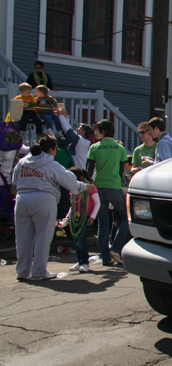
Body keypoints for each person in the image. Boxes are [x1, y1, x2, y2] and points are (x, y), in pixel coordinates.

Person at [12, 134, 90, 281]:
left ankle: (22, 271)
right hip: (44, 200)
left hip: (22, 200)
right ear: (50, 150)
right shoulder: (52, 164)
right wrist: (84, 186)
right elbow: (70, 183)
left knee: (22, 238)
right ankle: (39, 271)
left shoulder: (22, 162)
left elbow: (13, 185)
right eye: (55, 149)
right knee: (43, 237)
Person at [86, 119, 129, 265]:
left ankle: (105, 258)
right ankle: (116, 248)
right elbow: (120, 171)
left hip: (98, 187)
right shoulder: (120, 148)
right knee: (127, 218)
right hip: (114, 187)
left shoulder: (94, 147)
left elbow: (89, 169)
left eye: (97, 130)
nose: (95, 133)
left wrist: (88, 185)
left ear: (103, 132)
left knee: (102, 224)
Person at [59, 167, 100, 273]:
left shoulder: (90, 188)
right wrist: (67, 218)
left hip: (85, 218)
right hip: (75, 217)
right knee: (76, 240)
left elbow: (97, 203)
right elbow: (72, 205)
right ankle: (79, 261)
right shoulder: (73, 189)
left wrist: (92, 217)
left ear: (80, 177)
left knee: (81, 240)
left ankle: (84, 263)